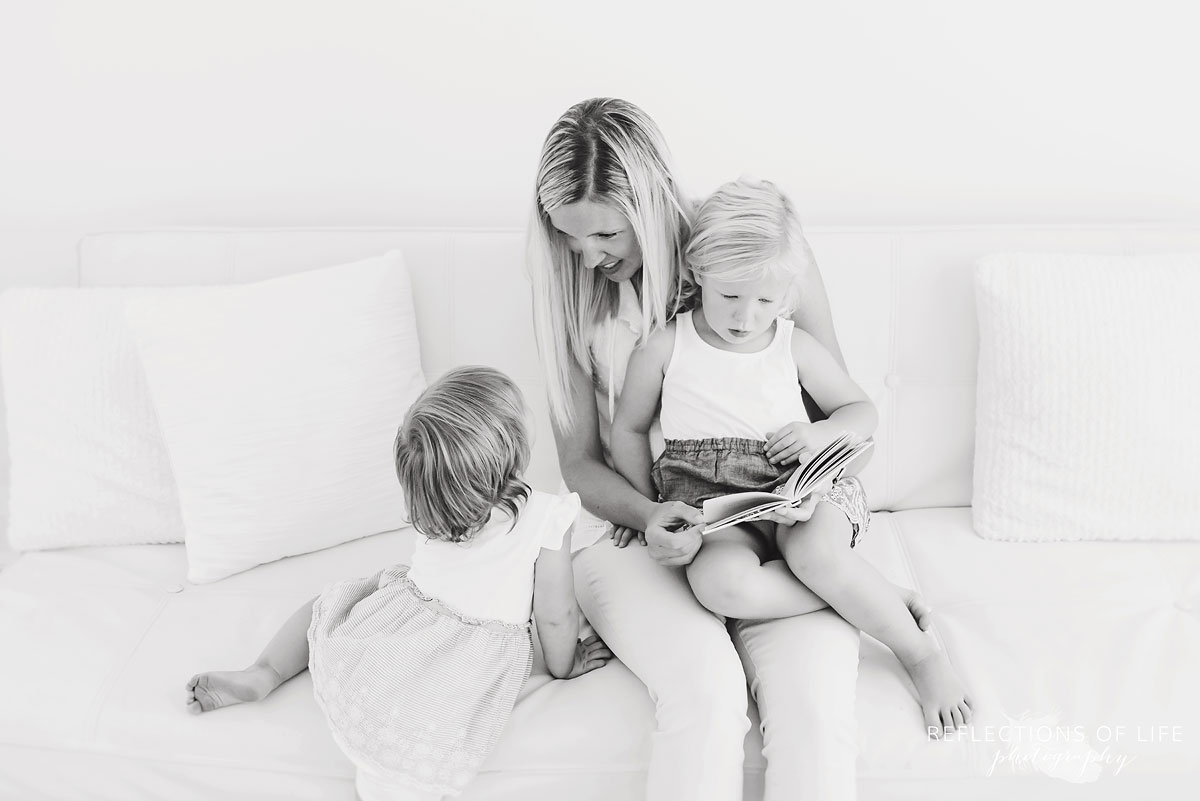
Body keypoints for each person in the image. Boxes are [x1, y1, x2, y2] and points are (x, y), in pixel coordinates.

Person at [527, 98, 933, 801]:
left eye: (603, 233)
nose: (588, 256)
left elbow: (851, 428)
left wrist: (814, 481)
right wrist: (650, 513)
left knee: (813, 716)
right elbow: (578, 463)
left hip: (774, 530)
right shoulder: (575, 299)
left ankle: (848, 591)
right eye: (569, 238)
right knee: (709, 698)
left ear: (649, 198)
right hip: (636, 535)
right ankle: (857, 595)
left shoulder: (755, 259)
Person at [610, 177, 973, 736]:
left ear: (786, 295)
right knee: (720, 589)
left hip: (802, 492)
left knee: (815, 555)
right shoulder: (665, 347)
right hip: (720, 513)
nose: (746, 316)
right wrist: (644, 508)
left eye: (765, 300)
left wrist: (822, 433)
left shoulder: (790, 346)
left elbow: (860, 411)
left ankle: (920, 653)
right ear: (696, 273)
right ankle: (868, 594)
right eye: (730, 295)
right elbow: (630, 429)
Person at [185, 366, 611, 801]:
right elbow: (556, 617)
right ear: (512, 447)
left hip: (400, 625)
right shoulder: (547, 516)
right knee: (407, 760)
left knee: (327, 607)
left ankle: (265, 671)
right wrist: (565, 665)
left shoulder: (439, 501)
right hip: (464, 665)